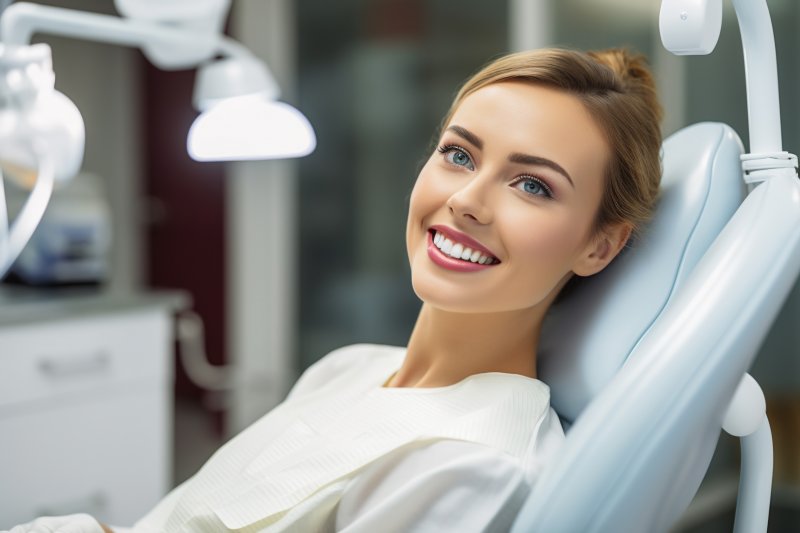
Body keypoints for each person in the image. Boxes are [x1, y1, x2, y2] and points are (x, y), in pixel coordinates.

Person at [6, 46, 662, 533]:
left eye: (533, 185)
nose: (466, 200)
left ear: (598, 244)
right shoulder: (349, 367)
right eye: (459, 154)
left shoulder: (474, 466)